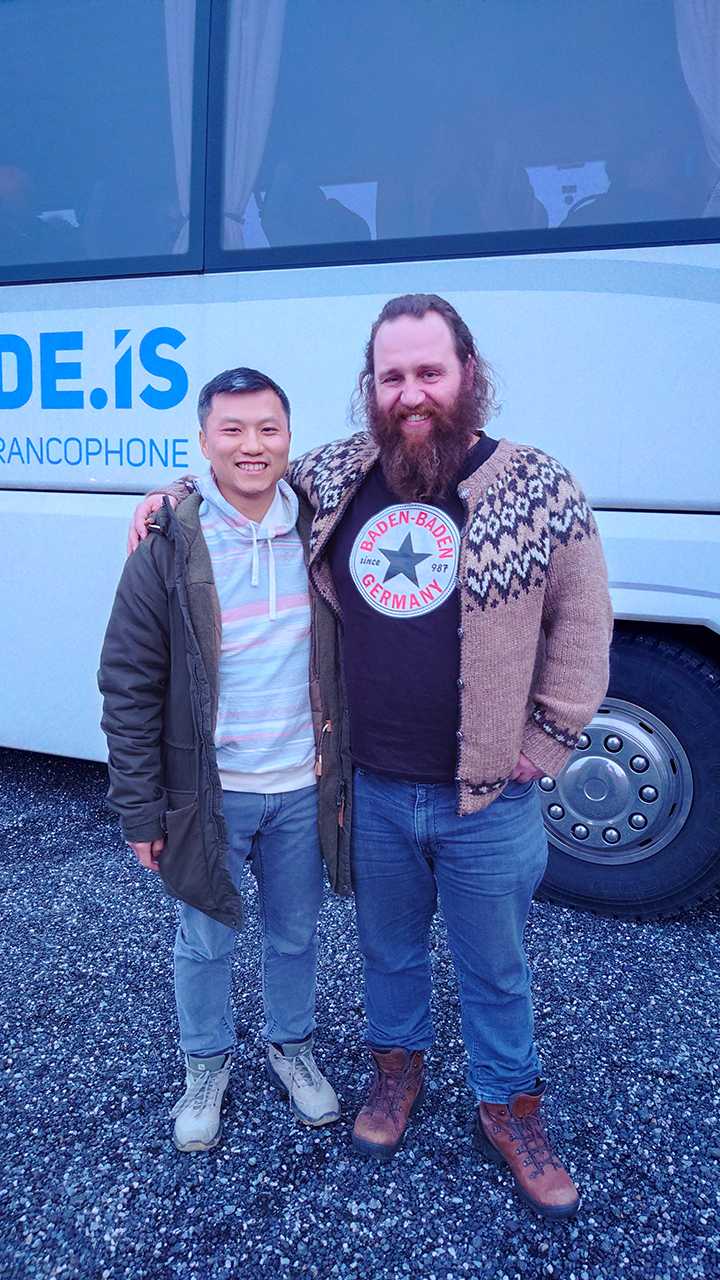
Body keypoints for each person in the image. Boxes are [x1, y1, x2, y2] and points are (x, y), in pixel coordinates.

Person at [129, 295, 612, 1219]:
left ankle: (510, 1109)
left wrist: (543, 742)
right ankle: (396, 1076)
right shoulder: (339, 473)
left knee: (496, 967)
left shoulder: (537, 484)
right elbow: (246, 471)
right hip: (373, 790)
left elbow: (584, 627)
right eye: (393, 376)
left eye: (430, 372)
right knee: (388, 955)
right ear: (371, 385)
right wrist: (172, 496)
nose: (411, 393)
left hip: (487, 801)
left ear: (468, 373)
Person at [100, 367, 350, 1154]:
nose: (252, 445)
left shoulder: (323, 527)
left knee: (295, 934)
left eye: (268, 428)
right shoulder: (168, 543)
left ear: (289, 437)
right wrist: (140, 809)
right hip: (212, 793)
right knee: (205, 939)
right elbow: (129, 683)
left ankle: (291, 1047)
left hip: (303, 786)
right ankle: (205, 1065)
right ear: (203, 441)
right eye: (232, 430)